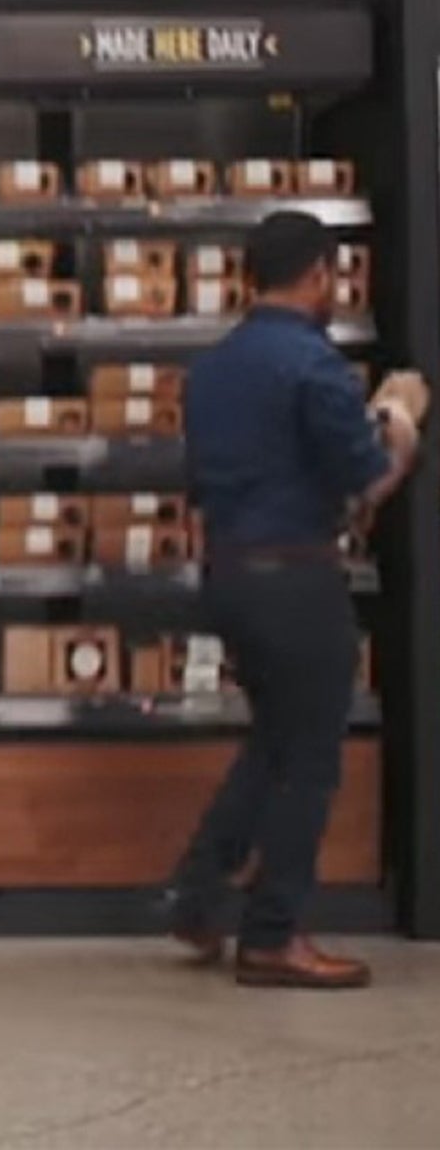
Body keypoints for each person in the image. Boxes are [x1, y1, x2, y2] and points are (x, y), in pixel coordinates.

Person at [168, 210, 426, 988]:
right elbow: (361, 483)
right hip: (297, 579)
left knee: (275, 741)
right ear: (320, 274)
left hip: (230, 573)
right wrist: (403, 431)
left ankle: (198, 896)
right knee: (310, 759)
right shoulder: (314, 367)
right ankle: (273, 935)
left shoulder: (211, 369)